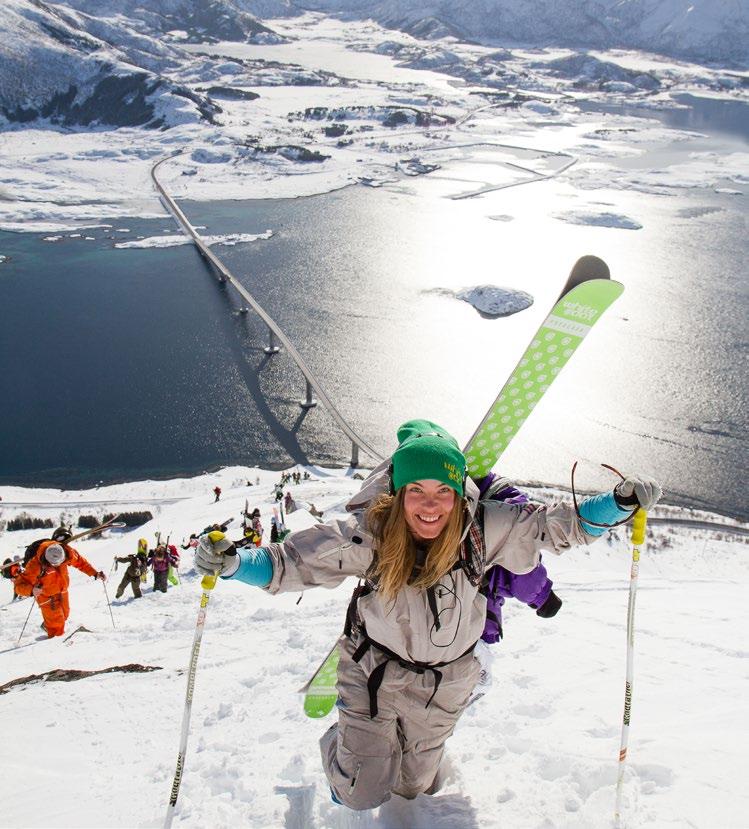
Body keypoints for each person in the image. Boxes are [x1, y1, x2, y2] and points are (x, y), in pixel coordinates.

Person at [195, 419, 661, 810]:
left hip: (448, 681)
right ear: (397, 493)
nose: (431, 503)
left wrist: (617, 504)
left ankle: (379, 752)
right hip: (376, 674)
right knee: (361, 790)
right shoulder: (370, 535)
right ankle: (351, 746)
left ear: (460, 492)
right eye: (416, 489)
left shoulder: (484, 529)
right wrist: (235, 564)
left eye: (443, 489)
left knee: (413, 784)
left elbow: (557, 525)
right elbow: (291, 563)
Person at [15, 540, 105, 637]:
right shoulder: (35, 565)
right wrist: (31, 590)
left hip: (62, 591)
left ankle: (48, 625)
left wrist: (95, 573)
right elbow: (18, 586)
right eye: (54, 565)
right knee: (57, 625)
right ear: (47, 559)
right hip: (47, 597)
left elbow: (81, 562)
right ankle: (55, 646)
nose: (58, 565)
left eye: (60, 563)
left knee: (65, 615)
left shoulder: (68, 553)